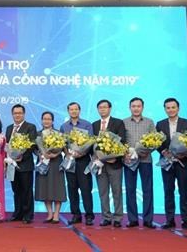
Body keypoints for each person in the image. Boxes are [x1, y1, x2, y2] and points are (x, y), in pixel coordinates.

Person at [156, 98, 187, 230]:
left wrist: (186, 153)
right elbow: (157, 143)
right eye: (168, 108)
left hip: (183, 162)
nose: (171, 110)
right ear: (165, 109)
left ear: (178, 108)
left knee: (184, 191)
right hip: (167, 162)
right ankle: (170, 219)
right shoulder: (160, 124)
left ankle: (186, 220)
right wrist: (163, 151)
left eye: (173, 107)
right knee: (168, 191)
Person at [123, 97, 156, 229]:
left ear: (142, 107)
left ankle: (148, 219)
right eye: (133, 106)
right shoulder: (123, 122)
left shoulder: (149, 122)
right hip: (129, 160)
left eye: (138, 106)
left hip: (145, 159)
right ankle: (132, 219)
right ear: (130, 107)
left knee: (147, 190)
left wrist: (148, 150)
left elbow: (155, 140)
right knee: (130, 190)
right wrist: (125, 153)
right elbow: (121, 141)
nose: (136, 108)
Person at [92, 99, 126, 228]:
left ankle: (117, 217)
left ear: (110, 108)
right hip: (100, 164)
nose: (102, 109)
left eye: (105, 107)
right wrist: (97, 157)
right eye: (100, 107)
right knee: (103, 192)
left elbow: (121, 140)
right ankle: (106, 217)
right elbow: (91, 144)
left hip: (114, 163)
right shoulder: (94, 124)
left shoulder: (118, 122)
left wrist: (115, 157)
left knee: (117, 191)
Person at [59, 102, 94, 225]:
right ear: (68, 111)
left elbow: (91, 142)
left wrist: (82, 153)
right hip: (70, 161)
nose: (73, 111)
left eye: (76, 109)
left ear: (79, 111)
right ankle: (76, 214)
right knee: (72, 188)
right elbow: (62, 144)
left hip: (83, 160)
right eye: (71, 109)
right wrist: (67, 154)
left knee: (86, 189)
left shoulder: (87, 125)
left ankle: (89, 215)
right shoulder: (64, 126)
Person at [5, 104, 37, 224]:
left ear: (23, 114)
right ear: (12, 114)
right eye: (15, 113)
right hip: (11, 165)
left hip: (25, 165)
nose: (17, 115)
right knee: (16, 190)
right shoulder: (9, 128)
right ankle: (17, 213)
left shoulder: (30, 127)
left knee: (26, 190)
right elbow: (7, 146)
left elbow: (32, 145)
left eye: (19, 113)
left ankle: (28, 214)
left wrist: (21, 156)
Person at [35, 111, 66, 224]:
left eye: (49, 119)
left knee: (57, 188)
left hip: (56, 162)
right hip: (43, 162)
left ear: (53, 121)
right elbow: (34, 149)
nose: (46, 121)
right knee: (45, 188)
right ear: (42, 120)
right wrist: (41, 154)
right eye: (44, 119)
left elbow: (64, 148)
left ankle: (56, 214)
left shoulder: (59, 133)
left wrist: (56, 154)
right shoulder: (38, 134)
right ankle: (49, 214)